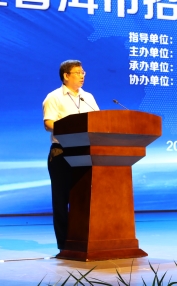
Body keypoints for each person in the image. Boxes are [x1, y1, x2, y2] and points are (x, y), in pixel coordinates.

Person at [42, 59, 99, 251]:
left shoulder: (88, 97)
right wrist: (70, 128)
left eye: (83, 72)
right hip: (62, 153)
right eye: (78, 72)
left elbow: (98, 120)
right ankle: (64, 244)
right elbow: (48, 123)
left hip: (86, 153)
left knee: (83, 198)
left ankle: (83, 240)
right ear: (66, 76)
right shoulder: (54, 97)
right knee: (61, 200)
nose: (82, 76)